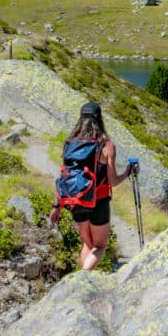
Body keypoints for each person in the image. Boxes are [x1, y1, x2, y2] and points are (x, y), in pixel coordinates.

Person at [49, 102, 138, 270]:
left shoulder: (70, 143)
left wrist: (57, 206)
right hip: (99, 201)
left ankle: (80, 282)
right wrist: (128, 172)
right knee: (99, 246)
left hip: (75, 200)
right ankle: (82, 277)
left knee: (88, 245)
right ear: (99, 119)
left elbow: (64, 176)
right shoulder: (106, 145)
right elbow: (112, 181)